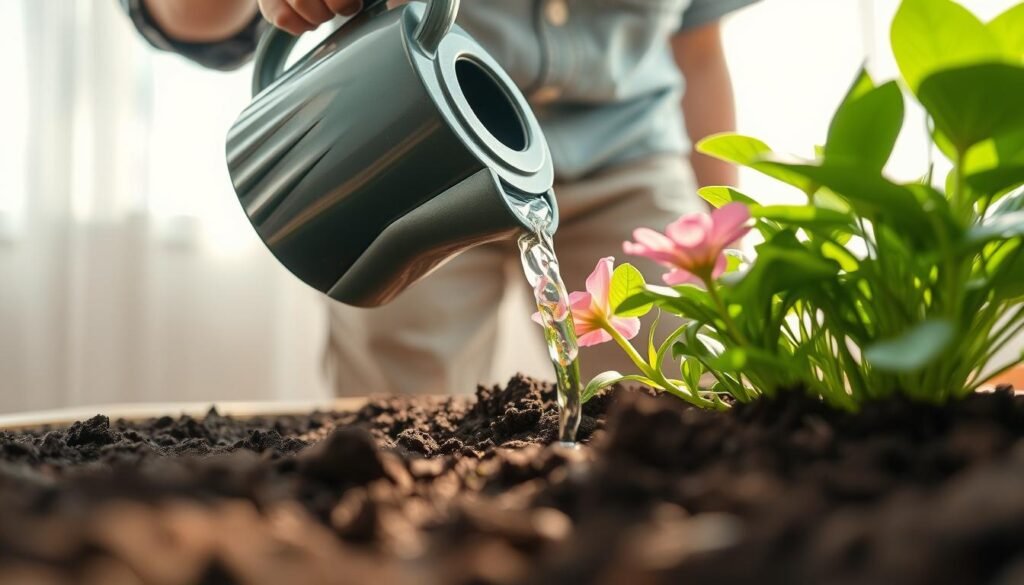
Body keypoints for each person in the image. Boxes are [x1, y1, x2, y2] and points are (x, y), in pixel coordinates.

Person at [121, 0, 757, 396]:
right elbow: (189, 19)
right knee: (402, 430)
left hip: (631, 159)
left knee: (686, 399)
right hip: (410, 160)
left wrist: (720, 231)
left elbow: (699, 49)